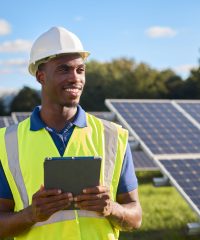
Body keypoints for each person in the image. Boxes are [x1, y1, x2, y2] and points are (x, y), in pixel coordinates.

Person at [0, 26, 142, 240]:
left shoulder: (113, 137)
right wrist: (30, 215)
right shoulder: (6, 143)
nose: (75, 78)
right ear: (41, 77)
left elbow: (135, 217)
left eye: (80, 70)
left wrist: (111, 208)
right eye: (63, 69)